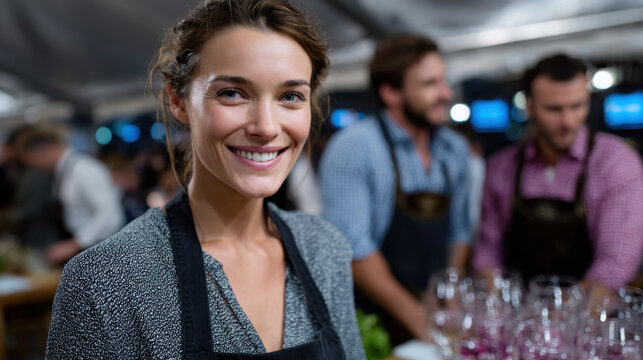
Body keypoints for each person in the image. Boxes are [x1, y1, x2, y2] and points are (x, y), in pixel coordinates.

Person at [46, 1, 365, 359]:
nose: (266, 127)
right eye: (232, 93)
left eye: (290, 97)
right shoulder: (105, 280)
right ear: (178, 100)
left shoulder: (324, 249)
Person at [319, 34, 471, 343]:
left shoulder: (453, 148)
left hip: (433, 315)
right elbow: (353, 249)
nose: (446, 93)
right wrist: (420, 321)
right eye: (430, 84)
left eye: (444, 81)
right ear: (391, 92)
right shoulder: (356, 146)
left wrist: (449, 299)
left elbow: (459, 233)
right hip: (371, 319)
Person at [473, 54, 643, 293]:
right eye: (554, 109)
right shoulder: (501, 166)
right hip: (519, 313)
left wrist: (558, 321)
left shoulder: (616, 162)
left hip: (589, 317)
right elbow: (488, 250)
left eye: (577, 106)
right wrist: (497, 302)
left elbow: (614, 265)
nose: (567, 121)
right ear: (529, 106)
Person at [14, 125, 125, 264]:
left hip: (100, 254)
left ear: (45, 150)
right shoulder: (63, 173)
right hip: (84, 251)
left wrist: (75, 243)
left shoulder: (84, 170)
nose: (33, 167)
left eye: (31, 160)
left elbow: (111, 216)